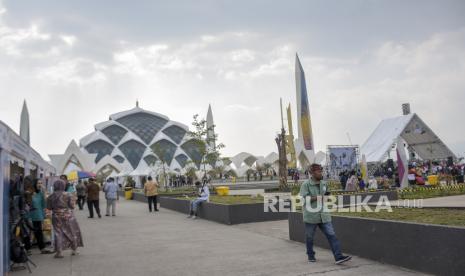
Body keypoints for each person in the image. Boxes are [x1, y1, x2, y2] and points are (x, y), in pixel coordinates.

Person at [299, 163, 351, 264]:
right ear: (312, 173)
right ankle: (310, 255)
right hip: (311, 216)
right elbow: (303, 199)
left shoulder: (324, 183)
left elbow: (327, 194)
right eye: (318, 171)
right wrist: (319, 197)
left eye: (321, 171)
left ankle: (338, 257)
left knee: (332, 235)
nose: (321, 173)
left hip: (324, 215)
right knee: (309, 237)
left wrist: (327, 196)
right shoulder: (305, 185)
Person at [46, 180, 83, 258]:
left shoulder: (51, 196)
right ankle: (74, 250)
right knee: (72, 231)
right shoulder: (68, 194)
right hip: (68, 216)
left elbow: (49, 207)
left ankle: (59, 252)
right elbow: (72, 206)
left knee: (58, 233)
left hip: (56, 216)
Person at [29, 179, 53, 254]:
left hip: (38, 215)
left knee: (38, 232)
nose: (40, 184)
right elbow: (29, 204)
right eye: (38, 183)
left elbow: (44, 204)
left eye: (41, 183)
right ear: (34, 184)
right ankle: (40, 248)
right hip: (31, 215)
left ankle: (42, 248)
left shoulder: (41, 193)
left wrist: (44, 192)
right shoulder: (31, 193)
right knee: (35, 232)